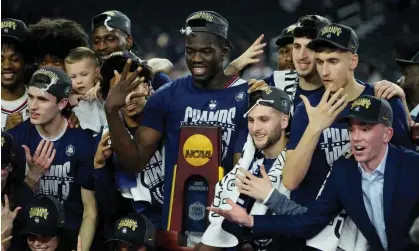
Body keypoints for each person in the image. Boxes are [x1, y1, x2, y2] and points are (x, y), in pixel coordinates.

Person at [104, 10, 249, 243]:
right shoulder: (166, 97)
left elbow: (246, 172)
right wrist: (111, 112)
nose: (196, 59)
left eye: (206, 51)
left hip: (227, 228)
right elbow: (135, 162)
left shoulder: (246, 96)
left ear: (223, 52)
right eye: (190, 52)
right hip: (175, 229)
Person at [210, 95, 419, 251]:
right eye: (352, 129)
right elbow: (309, 223)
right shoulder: (344, 171)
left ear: (387, 134)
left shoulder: (412, 166)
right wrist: (251, 220)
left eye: (365, 129)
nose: (355, 138)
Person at [8, 67, 97, 250]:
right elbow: (7, 206)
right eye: (30, 97)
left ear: (62, 103)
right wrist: (31, 178)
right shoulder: (14, 140)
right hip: (27, 242)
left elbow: (90, 211)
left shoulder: (82, 142)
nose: (32, 106)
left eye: (42, 99)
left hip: (68, 240)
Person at [200, 87, 292, 250]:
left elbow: (308, 222)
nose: (255, 128)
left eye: (264, 119)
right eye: (251, 120)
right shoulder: (248, 164)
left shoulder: (297, 168)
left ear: (284, 121)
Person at [91, 10, 172, 91]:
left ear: (129, 41)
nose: (101, 47)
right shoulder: (87, 79)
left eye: (110, 39)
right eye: (96, 41)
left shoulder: (155, 80)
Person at [65, 47, 106, 135]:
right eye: (73, 77)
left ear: (97, 72)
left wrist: (101, 84)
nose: (79, 81)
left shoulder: (105, 91)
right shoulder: (70, 104)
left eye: (84, 74)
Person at [1, 18, 29, 131]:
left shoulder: (42, 102)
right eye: (0, 59)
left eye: (15, 59)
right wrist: (6, 136)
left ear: (25, 61)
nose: (7, 66)